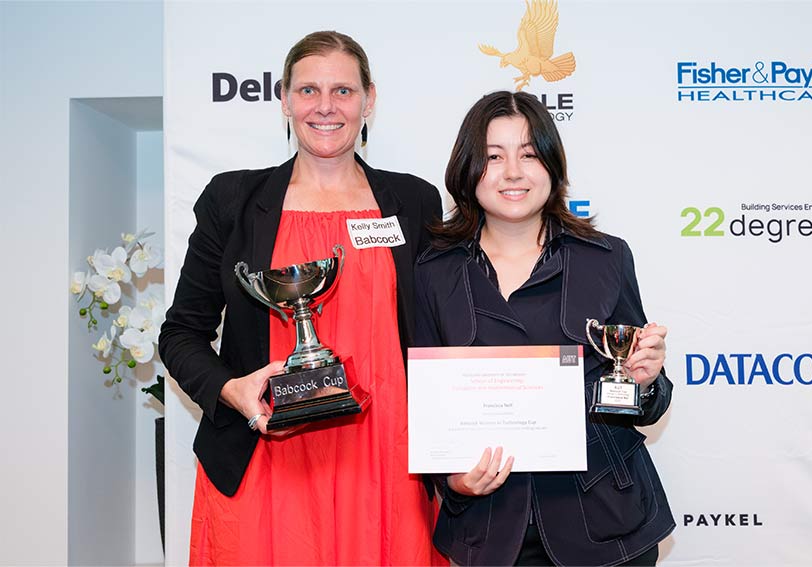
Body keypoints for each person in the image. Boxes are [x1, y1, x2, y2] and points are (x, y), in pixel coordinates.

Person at [159, 30, 446, 566]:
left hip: (388, 462)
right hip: (268, 454)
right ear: (285, 100)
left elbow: (443, 328)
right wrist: (232, 391)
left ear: (369, 100)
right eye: (308, 90)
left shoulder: (414, 201)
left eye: (343, 91)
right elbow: (180, 334)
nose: (325, 106)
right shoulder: (232, 200)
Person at [413, 91, 675, 566]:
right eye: (494, 156)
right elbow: (425, 401)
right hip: (490, 527)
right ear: (468, 169)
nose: (513, 172)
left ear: (552, 166)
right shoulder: (434, 270)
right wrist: (453, 481)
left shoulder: (606, 258)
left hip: (605, 521)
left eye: (529, 154)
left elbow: (647, 405)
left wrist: (645, 381)